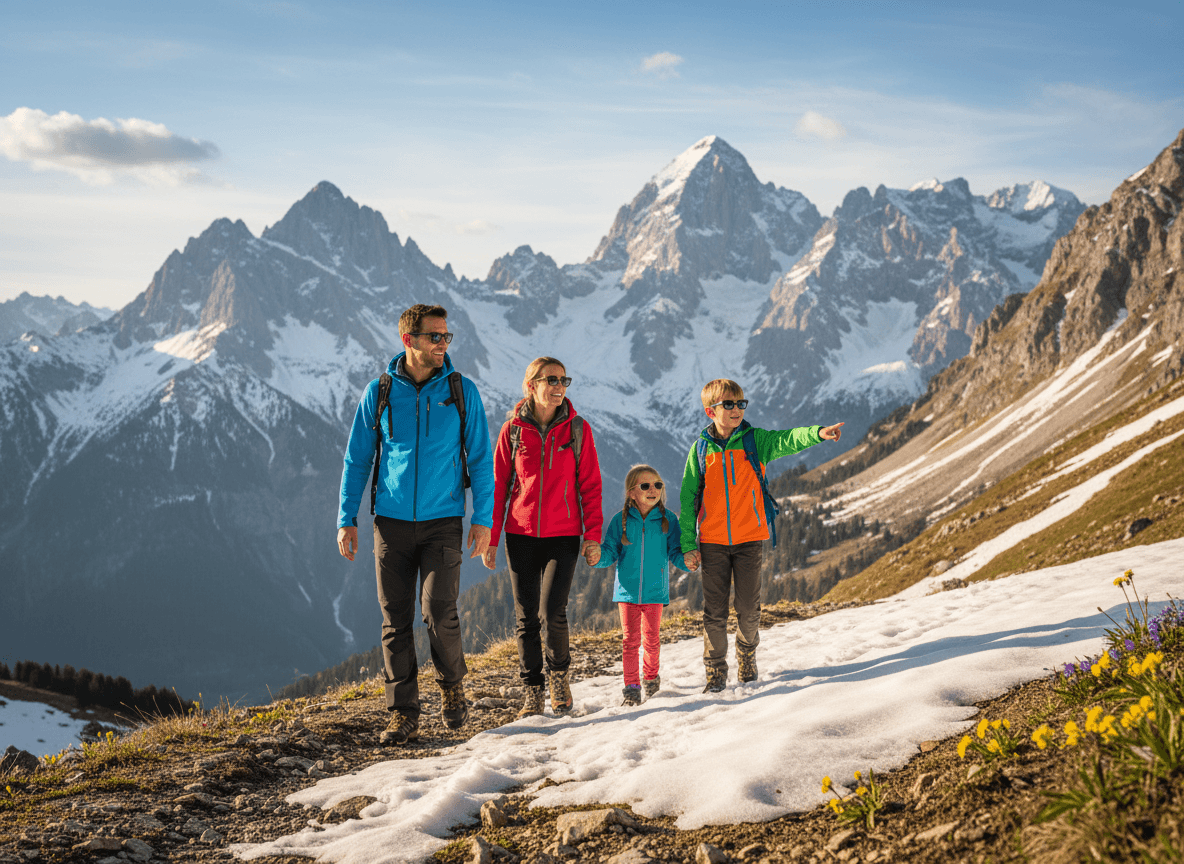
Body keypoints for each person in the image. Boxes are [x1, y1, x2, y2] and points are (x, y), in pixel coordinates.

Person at [337, 304, 494, 746]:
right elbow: (357, 459)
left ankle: (451, 686)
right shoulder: (380, 391)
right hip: (389, 524)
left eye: (446, 336)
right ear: (409, 340)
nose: (443, 344)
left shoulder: (461, 391)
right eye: (434, 337)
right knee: (395, 619)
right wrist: (346, 518)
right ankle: (402, 713)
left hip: (443, 521)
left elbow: (481, 460)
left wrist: (483, 519)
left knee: (439, 611)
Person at [679, 378, 843, 693]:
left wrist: (818, 433)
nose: (737, 409)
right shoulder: (700, 450)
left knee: (749, 608)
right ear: (710, 411)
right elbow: (688, 499)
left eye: (741, 403)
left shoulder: (755, 441)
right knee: (714, 611)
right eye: (729, 404)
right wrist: (688, 544)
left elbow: (788, 439)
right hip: (712, 542)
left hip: (749, 539)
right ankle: (715, 671)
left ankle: (746, 653)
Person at [483, 357, 603, 718]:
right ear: (530, 385)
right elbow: (498, 487)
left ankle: (559, 679)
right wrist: (491, 538)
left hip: (563, 535)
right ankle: (533, 690)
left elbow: (591, 487)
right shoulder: (513, 431)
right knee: (526, 617)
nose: (559, 386)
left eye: (563, 380)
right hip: (519, 534)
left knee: (553, 612)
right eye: (551, 380)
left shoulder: (578, 430)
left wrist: (592, 536)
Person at [592, 464, 691, 706]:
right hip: (627, 592)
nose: (653, 489)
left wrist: (688, 563)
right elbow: (610, 552)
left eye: (658, 485)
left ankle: (650, 679)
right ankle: (632, 689)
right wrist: (597, 557)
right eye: (645, 485)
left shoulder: (669, 520)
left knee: (652, 640)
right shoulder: (620, 521)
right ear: (632, 493)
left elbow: (676, 552)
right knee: (630, 641)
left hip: (655, 591)